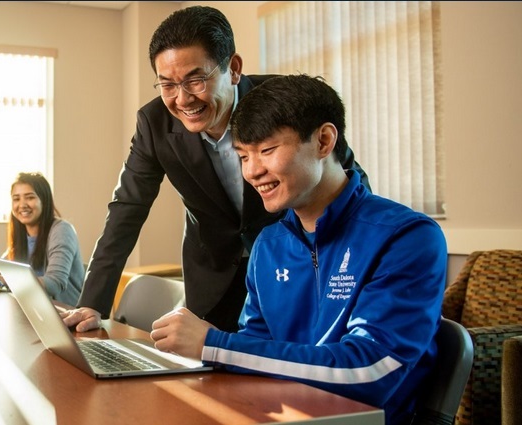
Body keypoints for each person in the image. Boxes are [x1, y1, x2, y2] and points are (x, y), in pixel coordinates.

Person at [149, 75, 446, 424]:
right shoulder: (268, 245)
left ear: (323, 140)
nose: (253, 171)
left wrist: (216, 345)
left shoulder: (406, 237)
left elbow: (370, 372)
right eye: (243, 156)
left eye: (268, 150)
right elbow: (252, 358)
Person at [62, 5, 369, 333]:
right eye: (167, 85)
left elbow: (346, 179)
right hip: (213, 277)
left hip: (293, 269)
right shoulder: (154, 123)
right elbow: (126, 209)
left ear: (233, 69)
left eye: (195, 80)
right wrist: (92, 302)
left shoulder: (286, 103)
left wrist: (356, 264)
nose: (182, 99)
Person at [0, 172, 84, 306]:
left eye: (30, 197)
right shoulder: (23, 235)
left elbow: (54, 283)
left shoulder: (62, 230)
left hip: (67, 315)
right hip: (35, 311)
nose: (22, 205)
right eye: (16, 199)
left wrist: (0, 279)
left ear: (44, 200)